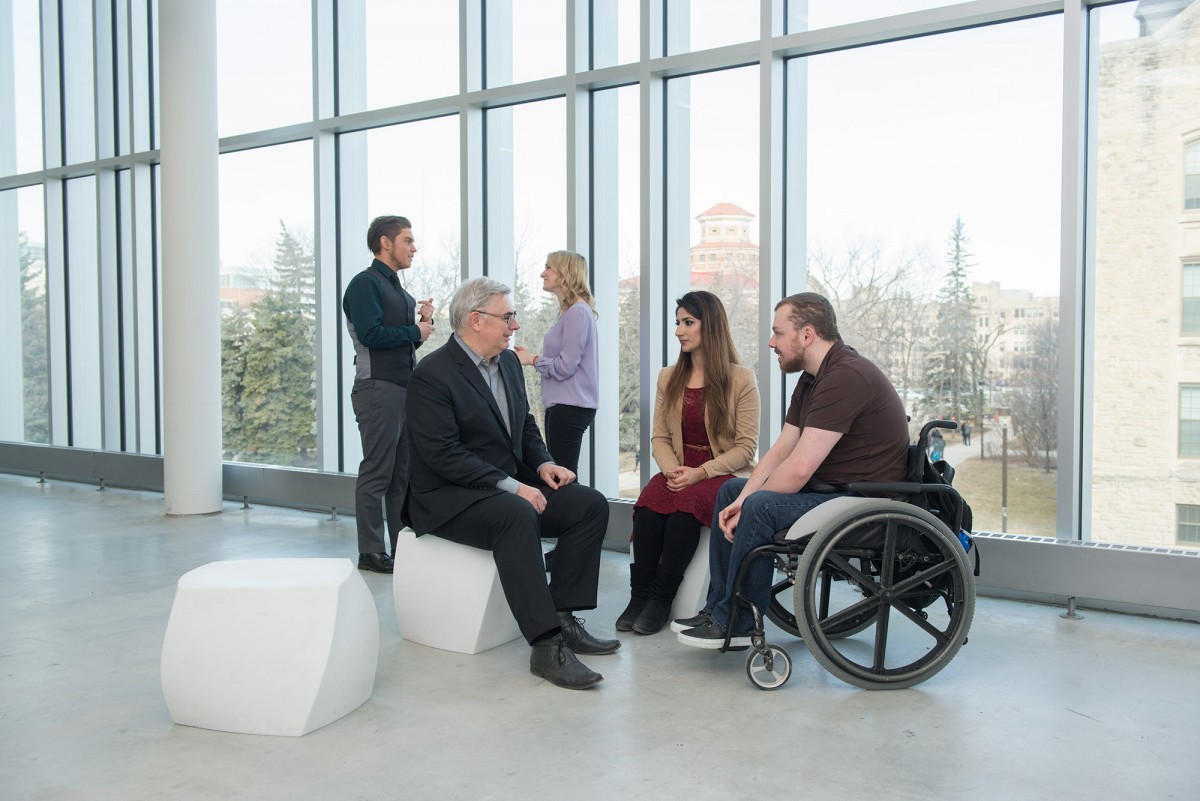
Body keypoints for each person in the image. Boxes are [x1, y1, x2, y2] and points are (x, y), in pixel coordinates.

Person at [402, 277, 618, 690]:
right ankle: (545, 646)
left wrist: (543, 466)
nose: (514, 326)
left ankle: (563, 617)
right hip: (449, 497)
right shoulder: (432, 376)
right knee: (517, 515)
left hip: (502, 487)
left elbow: (527, 426)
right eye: (508, 317)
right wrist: (512, 486)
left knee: (589, 504)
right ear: (475, 320)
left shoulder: (508, 364)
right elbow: (443, 456)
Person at [674, 292, 909, 648]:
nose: (772, 342)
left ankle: (737, 621)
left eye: (778, 333)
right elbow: (783, 448)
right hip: (833, 491)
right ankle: (719, 609)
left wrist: (751, 502)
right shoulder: (814, 377)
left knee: (760, 506)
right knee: (731, 491)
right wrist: (745, 495)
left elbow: (798, 469)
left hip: (865, 501)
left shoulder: (845, 377)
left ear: (807, 335)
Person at [616, 291, 759, 635]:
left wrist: (700, 472)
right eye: (677, 323)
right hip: (678, 468)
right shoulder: (668, 377)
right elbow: (659, 438)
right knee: (649, 507)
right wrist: (671, 470)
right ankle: (639, 597)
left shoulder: (741, 379)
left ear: (710, 325)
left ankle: (662, 600)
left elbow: (746, 448)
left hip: (719, 471)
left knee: (683, 512)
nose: (679, 330)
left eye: (688, 322)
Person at [342, 215, 435, 574]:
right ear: (385, 242)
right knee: (377, 473)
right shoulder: (365, 284)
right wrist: (416, 328)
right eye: (408, 240)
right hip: (377, 388)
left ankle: (400, 548)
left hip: (401, 388)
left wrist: (424, 323)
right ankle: (370, 552)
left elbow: (405, 336)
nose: (414, 247)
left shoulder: (399, 290)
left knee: (402, 476)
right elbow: (370, 335)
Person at [514, 250, 599, 473]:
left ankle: (581, 509)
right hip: (564, 405)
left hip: (570, 406)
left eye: (549, 267)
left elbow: (565, 367)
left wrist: (532, 359)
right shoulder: (570, 312)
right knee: (563, 474)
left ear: (564, 273)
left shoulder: (577, 312)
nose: (543, 273)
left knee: (564, 476)